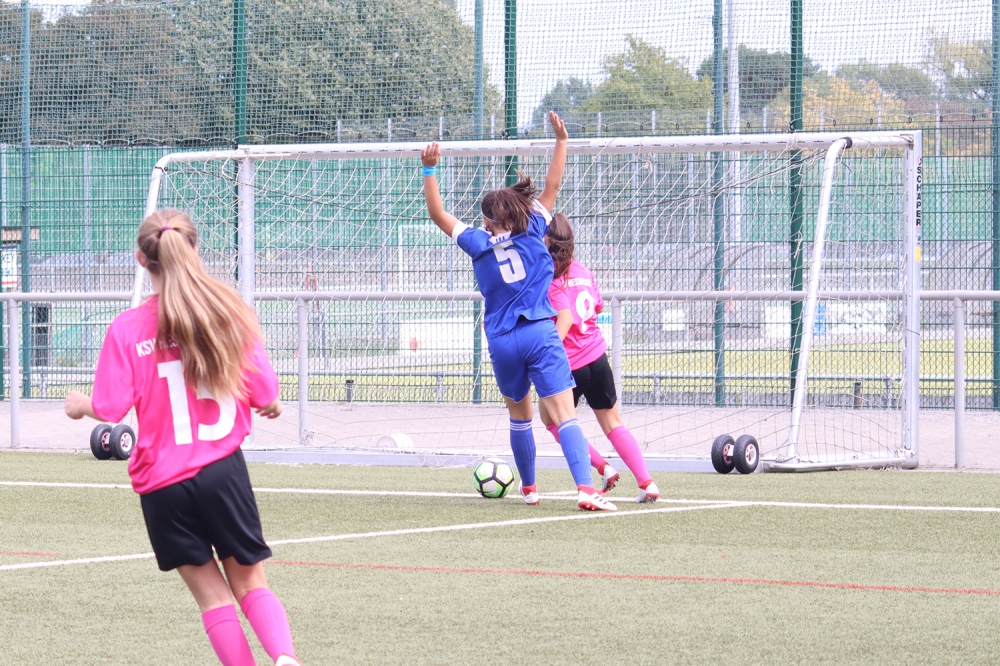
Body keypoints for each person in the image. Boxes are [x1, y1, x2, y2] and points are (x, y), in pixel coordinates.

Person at [65, 209, 300, 666]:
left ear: (141, 259)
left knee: (213, 598)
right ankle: (285, 657)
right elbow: (264, 390)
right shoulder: (226, 311)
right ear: (194, 249)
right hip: (222, 472)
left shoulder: (127, 329)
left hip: (163, 484)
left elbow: (111, 408)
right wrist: (269, 401)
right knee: (251, 583)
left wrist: (81, 405)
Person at [420, 111, 615, 511]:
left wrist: (429, 169)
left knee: (520, 416)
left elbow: (438, 214)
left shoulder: (477, 242)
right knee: (565, 415)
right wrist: (561, 141)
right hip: (540, 332)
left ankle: (529, 489)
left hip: (502, 340)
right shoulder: (534, 227)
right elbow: (553, 184)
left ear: (487, 221)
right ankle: (585, 488)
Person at [539, 213, 660, 503]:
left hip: (569, 364)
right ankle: (647, 483)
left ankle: (602, 468)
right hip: (597, 357)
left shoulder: (547, 276)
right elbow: (597, 307)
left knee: (555, 422)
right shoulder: (584, 270)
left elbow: (562, 318)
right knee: (614, 423)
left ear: (546, 241)